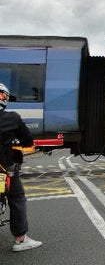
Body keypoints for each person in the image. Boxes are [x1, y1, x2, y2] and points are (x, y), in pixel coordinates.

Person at [0, 83, 42, 252]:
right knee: (17, 197)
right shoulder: (12, 118)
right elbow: (28, 141)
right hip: (5, 167)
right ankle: (20, 239)